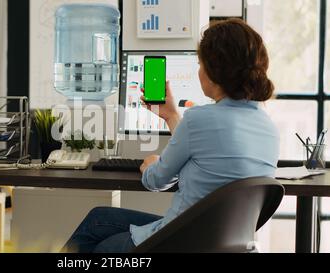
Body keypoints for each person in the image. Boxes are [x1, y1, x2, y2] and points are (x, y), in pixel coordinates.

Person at [62, 18, 280, 253]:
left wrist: (151, 166)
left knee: (103, 245)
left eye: (200, 63)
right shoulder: (269, 128)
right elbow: (210, 152)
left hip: (183, 241)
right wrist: (172, 116)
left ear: (214, 71)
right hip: (225, 244)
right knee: (99, 218)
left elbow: (156, 181)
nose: (199, 70)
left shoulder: (200, 119)